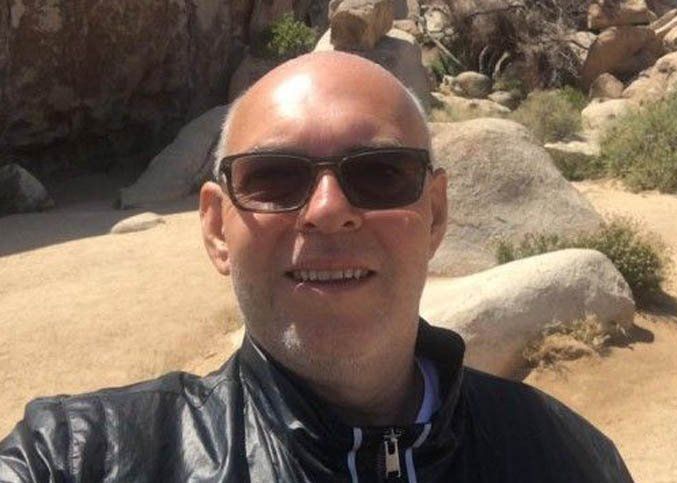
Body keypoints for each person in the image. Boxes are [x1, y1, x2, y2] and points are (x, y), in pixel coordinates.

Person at [0, 51, 633, 482]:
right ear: (217, 229)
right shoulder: (82, 455)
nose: (328, 212)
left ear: (435, 214)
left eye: (381, 174)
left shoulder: (564, 455)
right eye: (274, 178)